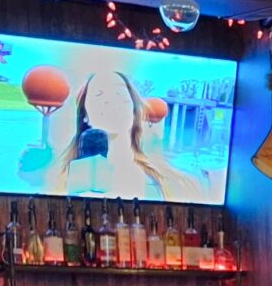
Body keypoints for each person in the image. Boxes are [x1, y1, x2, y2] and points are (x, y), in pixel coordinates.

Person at [47, 71, 202, 201]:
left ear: (134, 112)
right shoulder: (60, 183)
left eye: (119, 93)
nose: (110, 100)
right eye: (99, 95)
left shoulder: (173, 183)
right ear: (85, 116)